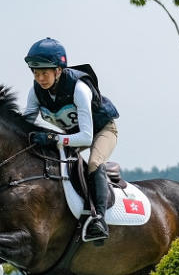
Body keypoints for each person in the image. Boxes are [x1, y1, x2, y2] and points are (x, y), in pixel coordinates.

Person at [22, 37, 120, 242]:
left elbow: (86, 137)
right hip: (72, 136)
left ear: (58, 70)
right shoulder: (36, 92)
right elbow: (25, 125)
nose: (40, 78)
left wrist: (53, 138)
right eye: (36, 73)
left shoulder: (79, 88)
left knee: (94, 162)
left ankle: (99, 220)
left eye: (44, 72)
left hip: (102, 131)